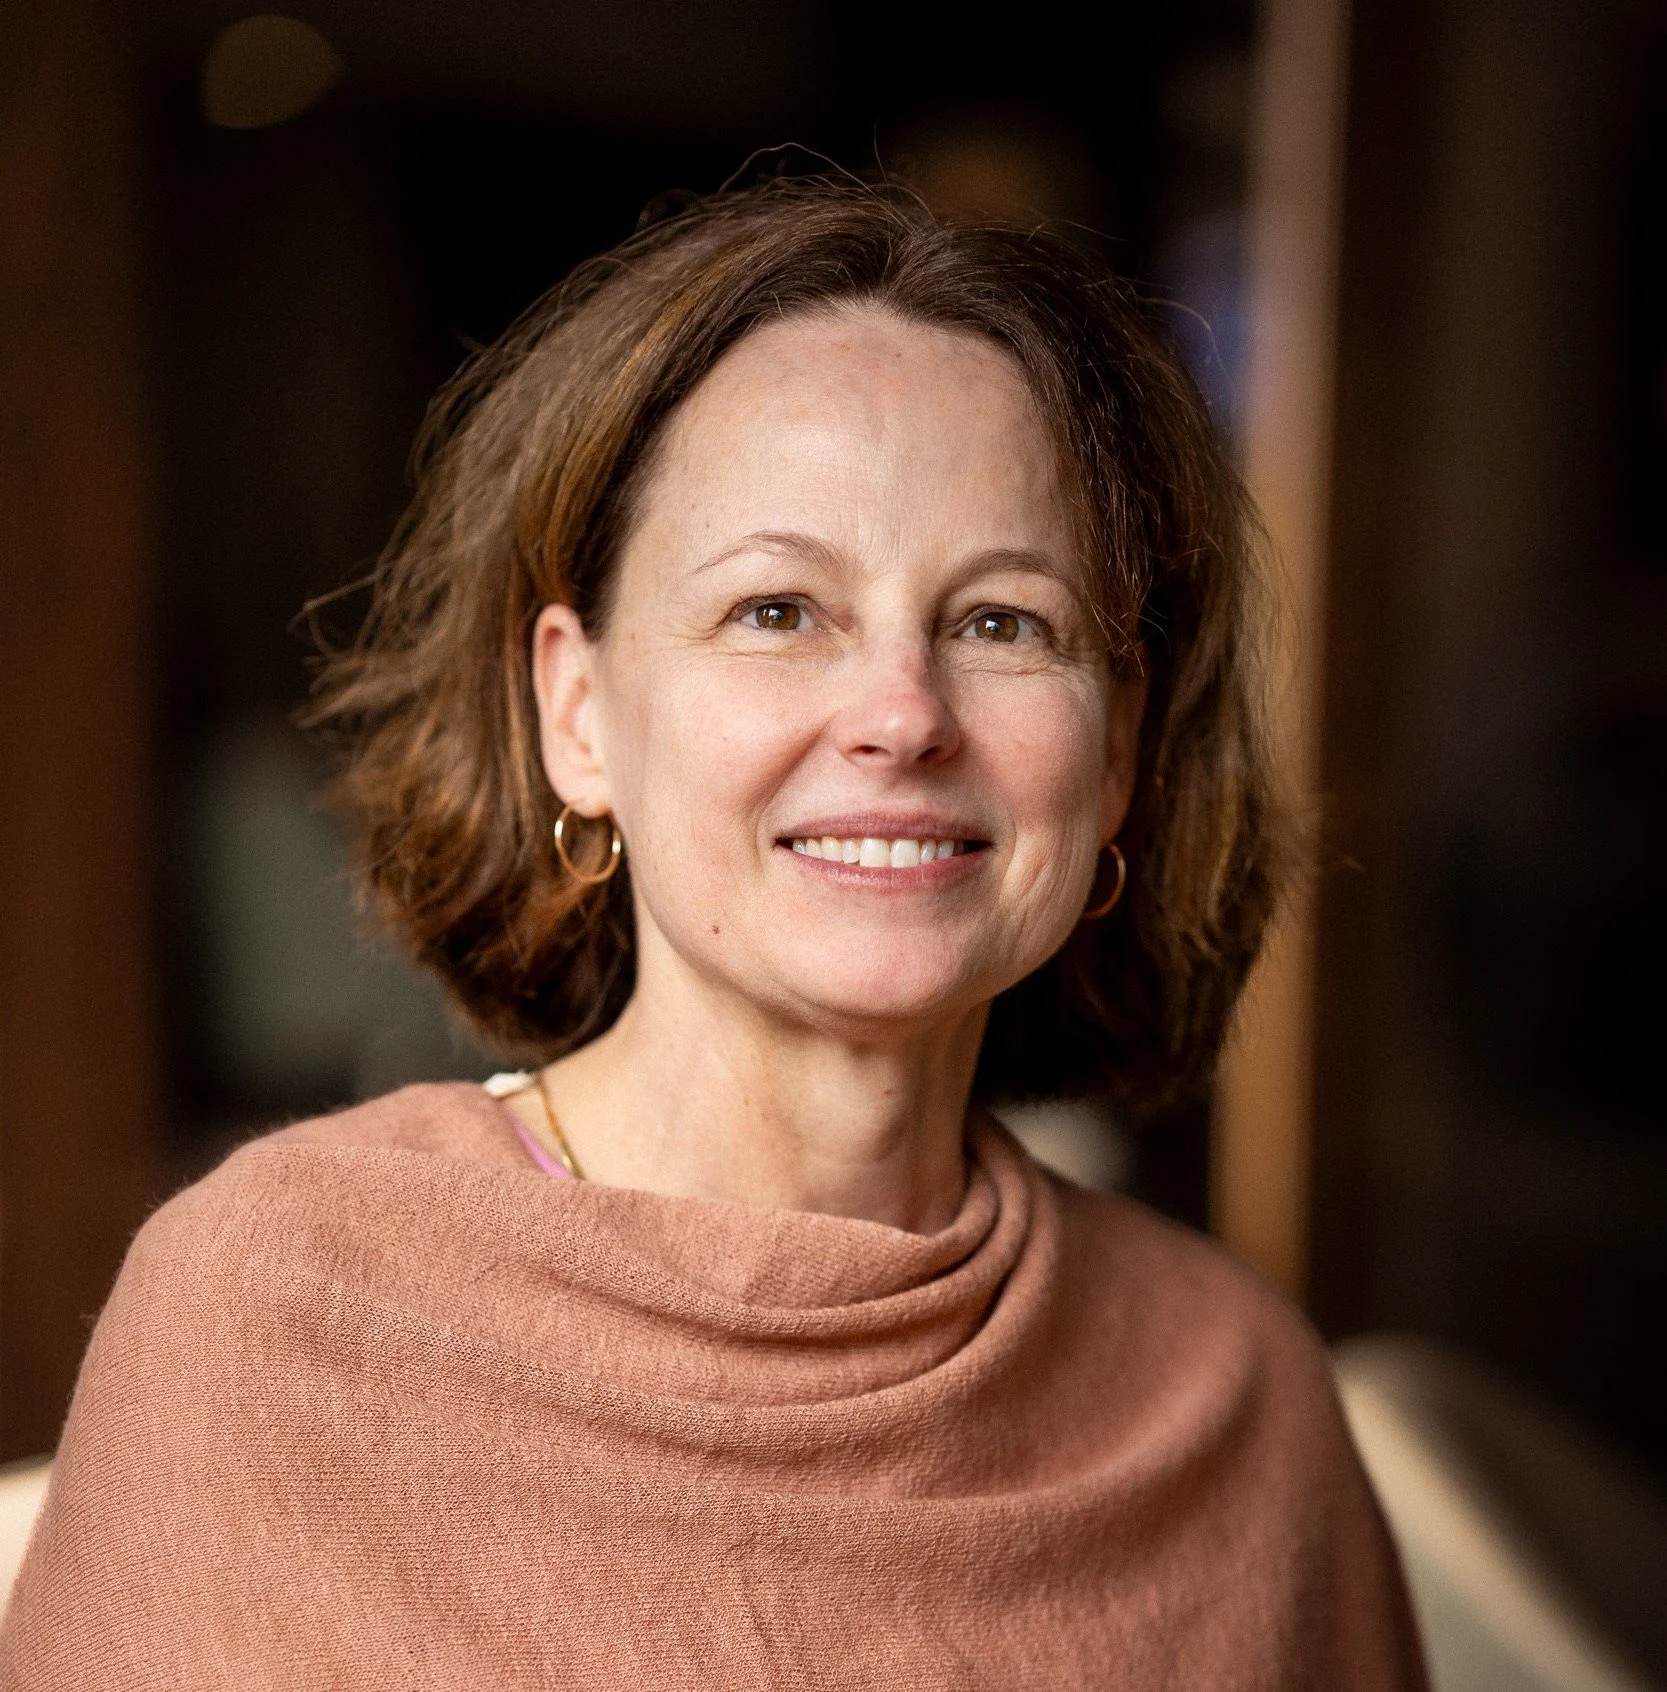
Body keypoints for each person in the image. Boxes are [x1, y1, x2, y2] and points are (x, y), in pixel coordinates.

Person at [0, 177, 1425, 1688]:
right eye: (776, 610)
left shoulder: (1234, 1396)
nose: (899, 716)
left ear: (1120, 746)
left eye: (1002, 622)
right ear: (578, 710)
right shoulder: (277, 1307)